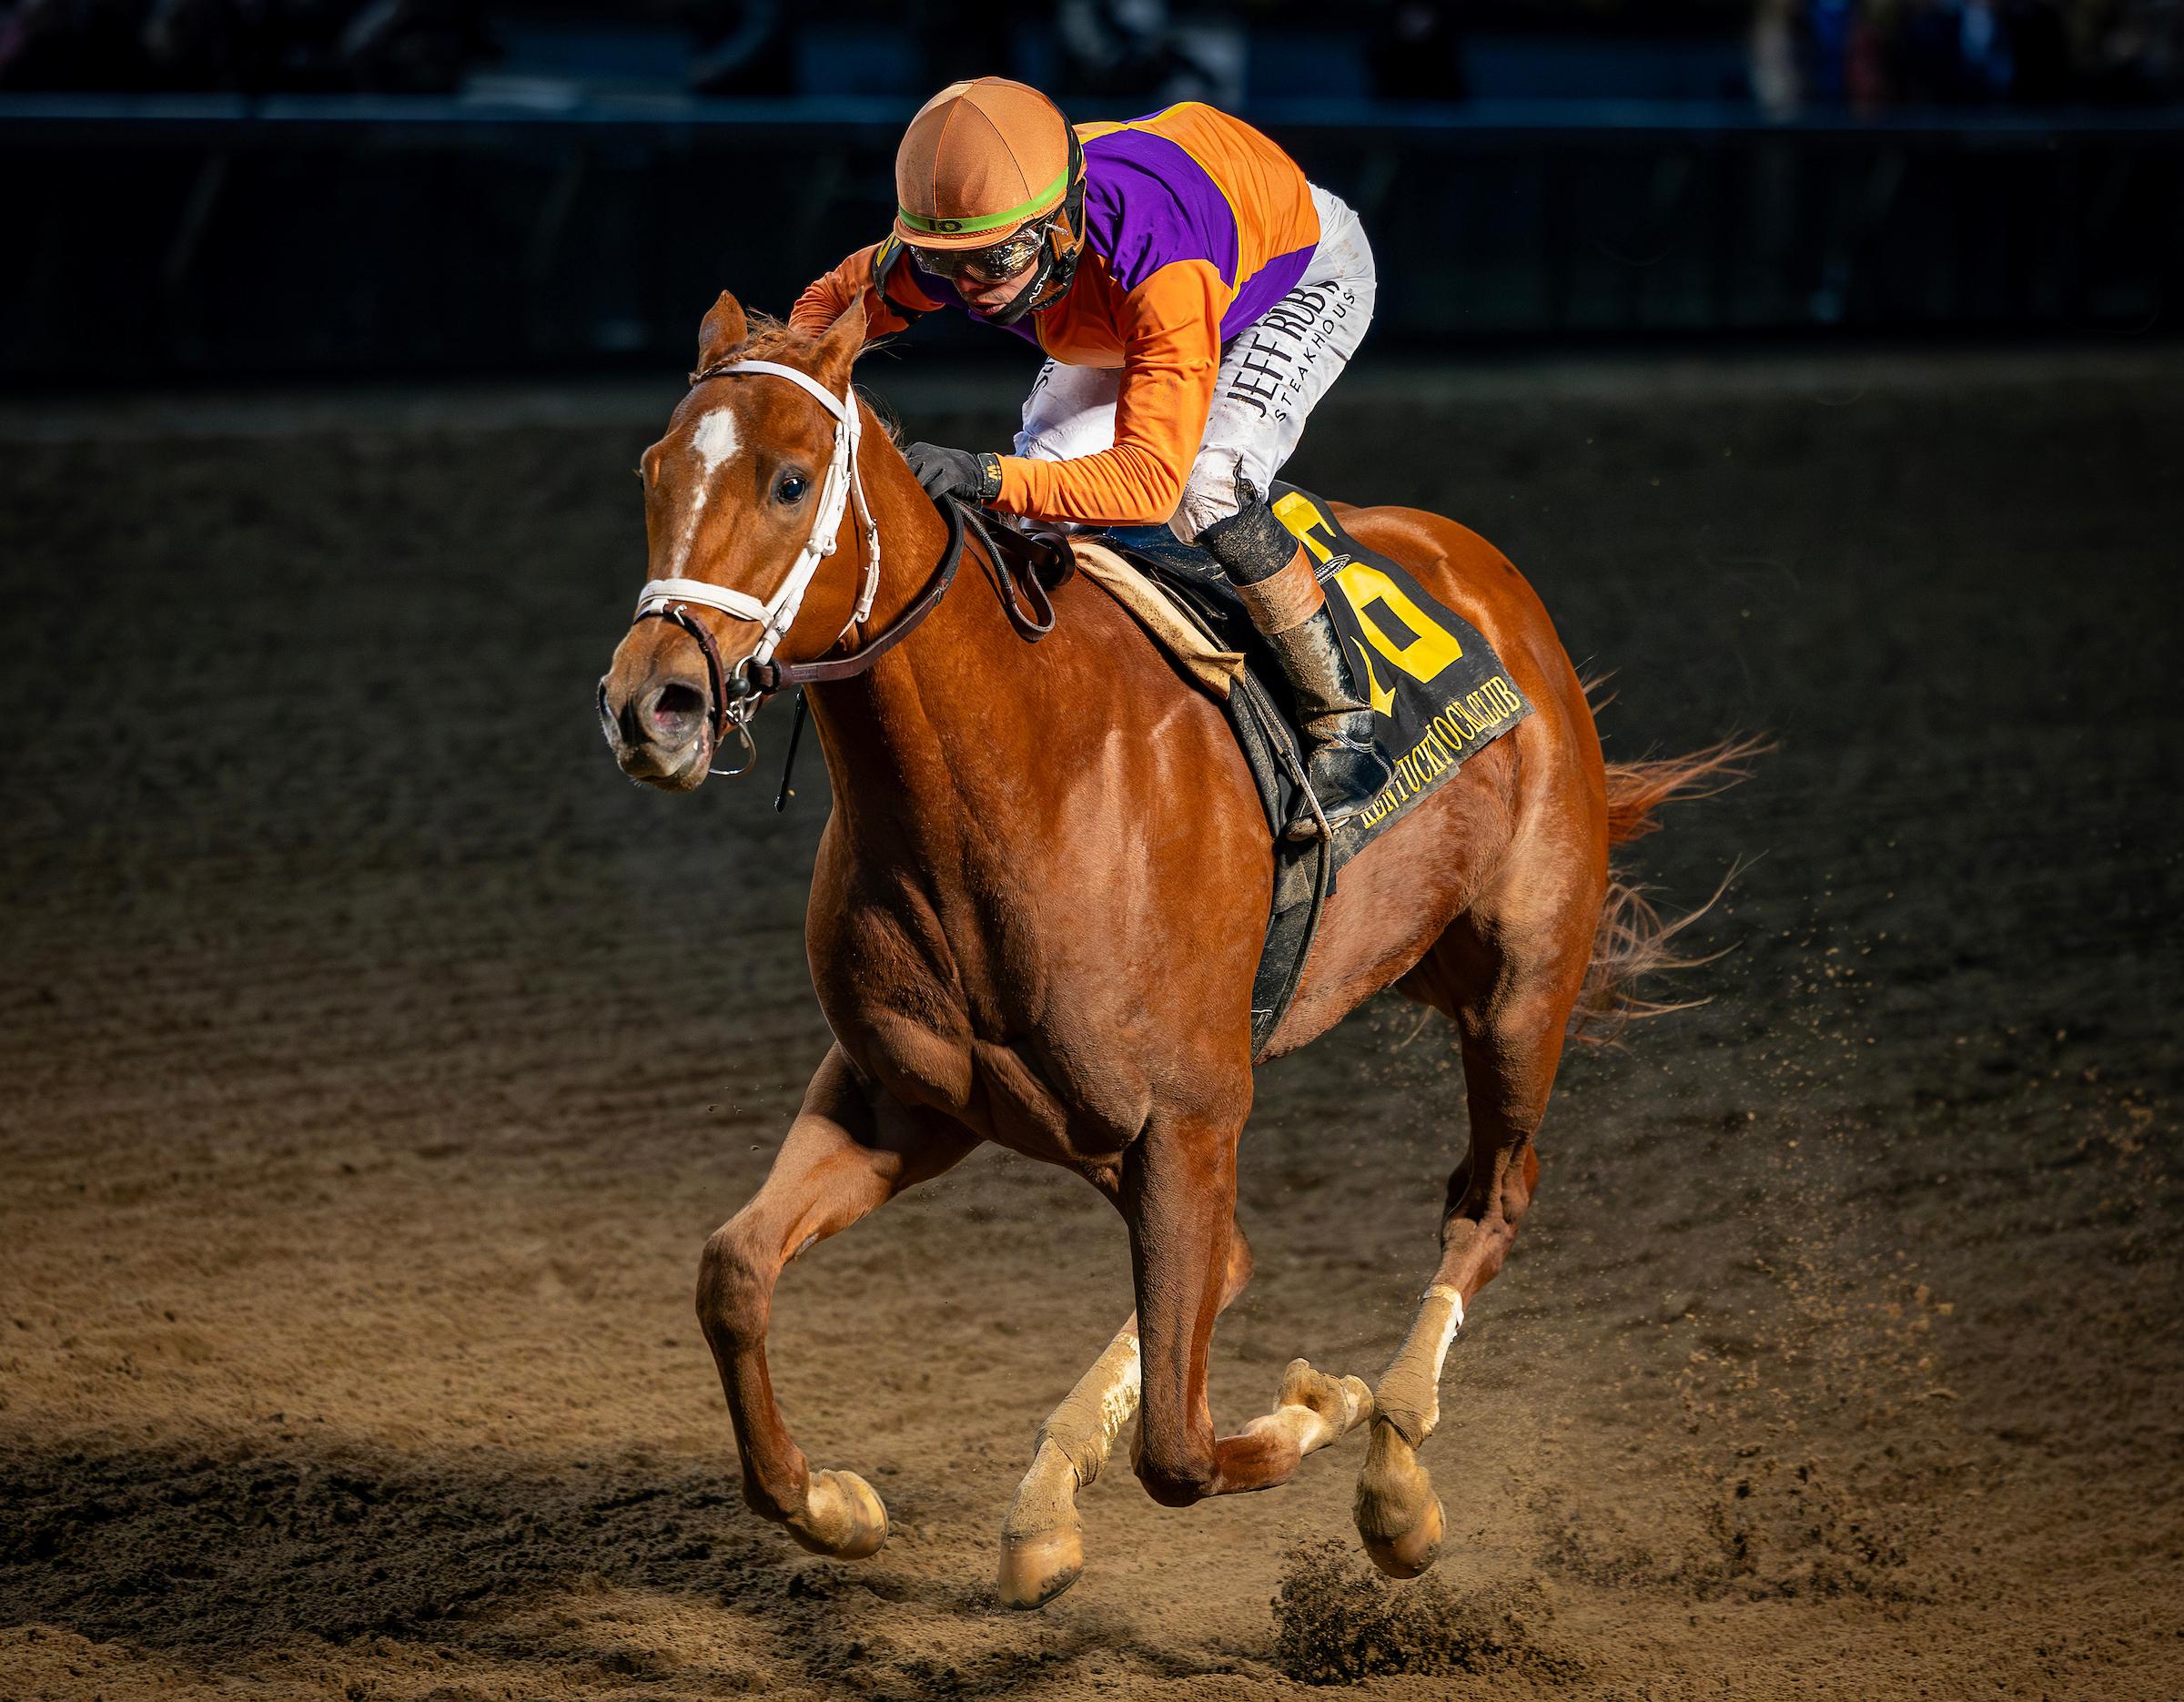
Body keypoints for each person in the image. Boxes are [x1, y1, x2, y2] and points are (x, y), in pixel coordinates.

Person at [788, 76, 1390, 833]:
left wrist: (982, 474)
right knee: (1042, 485)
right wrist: (777, 393)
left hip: (1293, 277)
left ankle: (1342, 726)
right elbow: (823, 313)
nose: (969, 288)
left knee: (1208, 484)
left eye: (996, 259)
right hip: (1120, 298)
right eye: (944, 265)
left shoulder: (1156, 259)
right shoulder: (982, 228)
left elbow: (1148, 484)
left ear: (1062, 223)